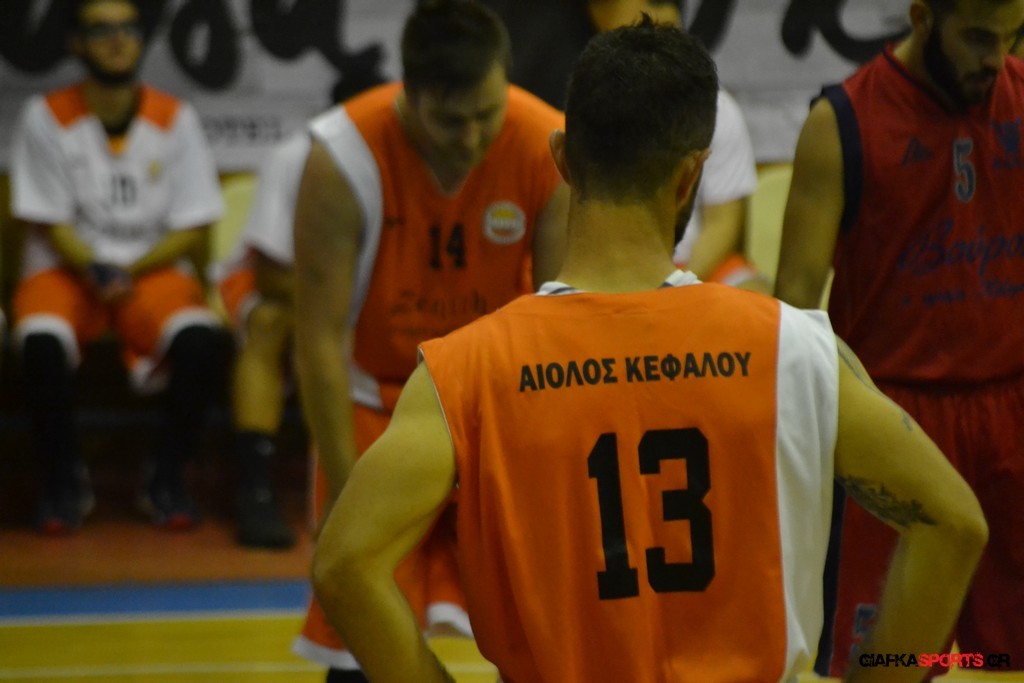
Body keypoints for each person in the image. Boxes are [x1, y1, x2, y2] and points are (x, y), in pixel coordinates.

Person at [309, 20, 988, 683]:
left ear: (561, 159)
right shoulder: (796, 348)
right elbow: (955, 523)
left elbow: (343, 564)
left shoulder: (466, 370)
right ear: (691, 177)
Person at [291, 0, 569, 679]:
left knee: (541, 621)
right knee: (357, 618)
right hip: (379, 403)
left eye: (487, 114)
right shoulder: (341, 156)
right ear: (408, 95)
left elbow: (560, 323)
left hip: (493, 405)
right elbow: (319, 340)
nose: (471, 137)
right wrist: (343, 495)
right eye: (451, 120)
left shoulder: (548, 143)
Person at [774, 0, 1024, 676]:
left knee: (1006, 659)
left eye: (1010, 37)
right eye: (978, 37)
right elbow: (793, 306)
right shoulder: (842, 122)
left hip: (1012, 409)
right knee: (891, 665)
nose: (995, 58)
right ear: (921, 16)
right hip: (895, 422)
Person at [8, 0, 224, 534]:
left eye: (127, 27)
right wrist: (96, 268)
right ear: (76, 43)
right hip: (66, 267)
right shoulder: (46, 115)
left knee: (201, 339)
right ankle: (63, 483)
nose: (117, 39)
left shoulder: (175, 116)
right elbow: (50, 220)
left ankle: (164, 478)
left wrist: (130, 269)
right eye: (101, 29)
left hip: (149, 267)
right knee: (39, 342)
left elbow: (192, 224)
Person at [482, 0, 769, 293]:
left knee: (753, 290)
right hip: (600, 266)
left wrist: (677, 284)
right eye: (639, 27)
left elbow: (723, 221)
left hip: (691, 267)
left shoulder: (717, 109)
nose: (651, 35)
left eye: (662, 28)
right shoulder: (580, 103)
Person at [217, 132, 311, 550]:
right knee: (270, 322)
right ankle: (255, 487)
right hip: (279, 284)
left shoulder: (431, 155)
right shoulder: (297, 156)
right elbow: (272, 277)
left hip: (363, 289)